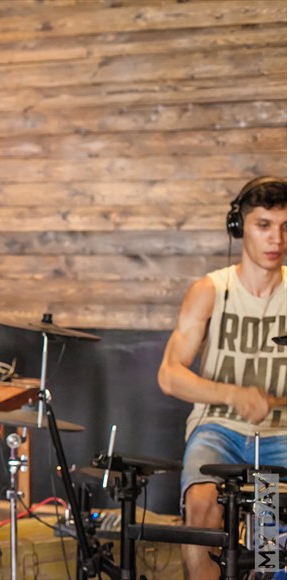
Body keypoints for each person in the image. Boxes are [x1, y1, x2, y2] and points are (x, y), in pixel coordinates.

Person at [158, 176, 287, 579]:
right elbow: (170, 375)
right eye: (263, 225)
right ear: (239, 227)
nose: (276, 239)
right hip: (218, 430)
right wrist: (234, 394)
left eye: (285, 227)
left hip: (280, 433)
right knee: (202, 506)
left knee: (270, 523)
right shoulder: (211, 290)